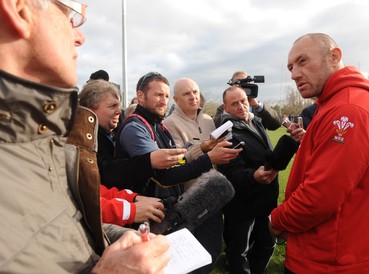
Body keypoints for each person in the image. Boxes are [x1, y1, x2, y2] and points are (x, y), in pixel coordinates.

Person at [0, 0, 169, 272]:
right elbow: (113, 176)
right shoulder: (122, 128)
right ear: (18, 9)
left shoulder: (43, 140)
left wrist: (119, 232)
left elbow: (72, 220)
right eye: (70, 17)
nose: (80, 37)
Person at [269, 33, 369, 273]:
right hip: (335, 252)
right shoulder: (335, 103)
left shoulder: (348, 109)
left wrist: (276, 221)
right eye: (291, 67)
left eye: (303, 61)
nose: (294, 74)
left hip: (331, 259)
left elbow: (321, 196)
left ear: (334, 56)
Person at [116, 72, 240, 200]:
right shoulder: (135, 128)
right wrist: (209, 159)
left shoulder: (158, 126)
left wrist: (202, 149)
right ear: (140, 96)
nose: (164, 101)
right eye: (159, 95)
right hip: (144, 210)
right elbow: (164, 176)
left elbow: (176, 163)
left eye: (166, 96)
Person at [79, 79, 176, 226]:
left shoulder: (105, 134)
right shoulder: (83, 141)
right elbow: (104, 175)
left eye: (119, 105)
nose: (120, 111)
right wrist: (149, 160)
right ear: (91, 109)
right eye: (112, 106)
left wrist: (133, 198)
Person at [164, 78, 224, 273]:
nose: (193, 97)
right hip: (188, 199)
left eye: (195, 92)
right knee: (188, 256)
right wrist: (202, 149)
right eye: (186, 94)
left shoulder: (208, 120)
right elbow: (176, 163)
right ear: (176, 99)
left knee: (213, 249)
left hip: (213, 194)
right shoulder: (168, 124)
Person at [217, 86, 279, 274]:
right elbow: (231, 171)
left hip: (265, 197)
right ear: (225, 108)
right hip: (242, 203)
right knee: (239, 251)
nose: (241, 106)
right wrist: (254, 176)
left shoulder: (256, 122)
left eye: (243, 101)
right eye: (234, 103)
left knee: (267, 243)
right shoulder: (225, 131)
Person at [213, 70, 281, 129]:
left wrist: (258, 106)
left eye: (246, 83)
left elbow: (276, 125)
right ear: (232, 85)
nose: (242, 87)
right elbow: (215, 126)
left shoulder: (258, 109)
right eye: (238, 83)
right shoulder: (224, 108)